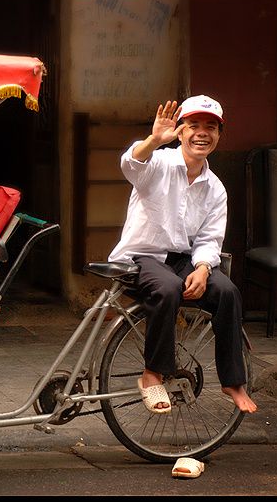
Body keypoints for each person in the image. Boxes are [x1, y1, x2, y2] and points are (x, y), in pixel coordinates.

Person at [108, 95, 257, 414]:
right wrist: (152, 140)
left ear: (218, 135)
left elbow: (209, 237)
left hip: (182, 259)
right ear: (181, 131)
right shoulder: (158, 163)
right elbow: (130, 163)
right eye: (194, 125)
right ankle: (152, 374)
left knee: (228, 291)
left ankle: (233, 380)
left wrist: (203, 267)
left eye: (211, 127)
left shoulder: (215, 188)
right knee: (169, 287)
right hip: (143, 255)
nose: (202, 133)